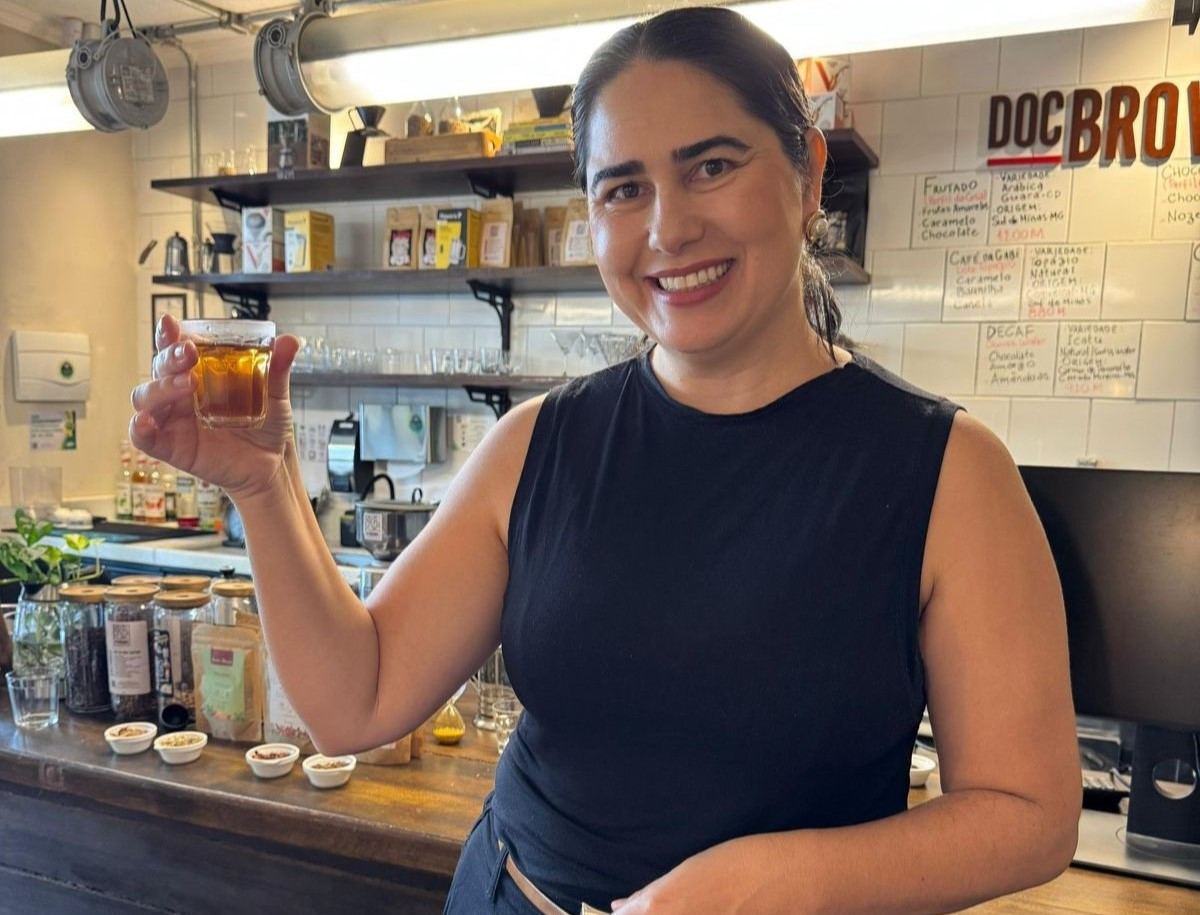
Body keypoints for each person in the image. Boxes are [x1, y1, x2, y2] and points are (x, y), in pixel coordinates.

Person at [130, 7, 1081, 913]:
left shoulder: (948, 473)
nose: (668, 228)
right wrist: (263, 483)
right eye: (624, 188)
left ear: (807, 172)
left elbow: (1030, 813)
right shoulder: (536, 446)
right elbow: (357, 698)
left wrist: (787, 882)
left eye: (711, 165)